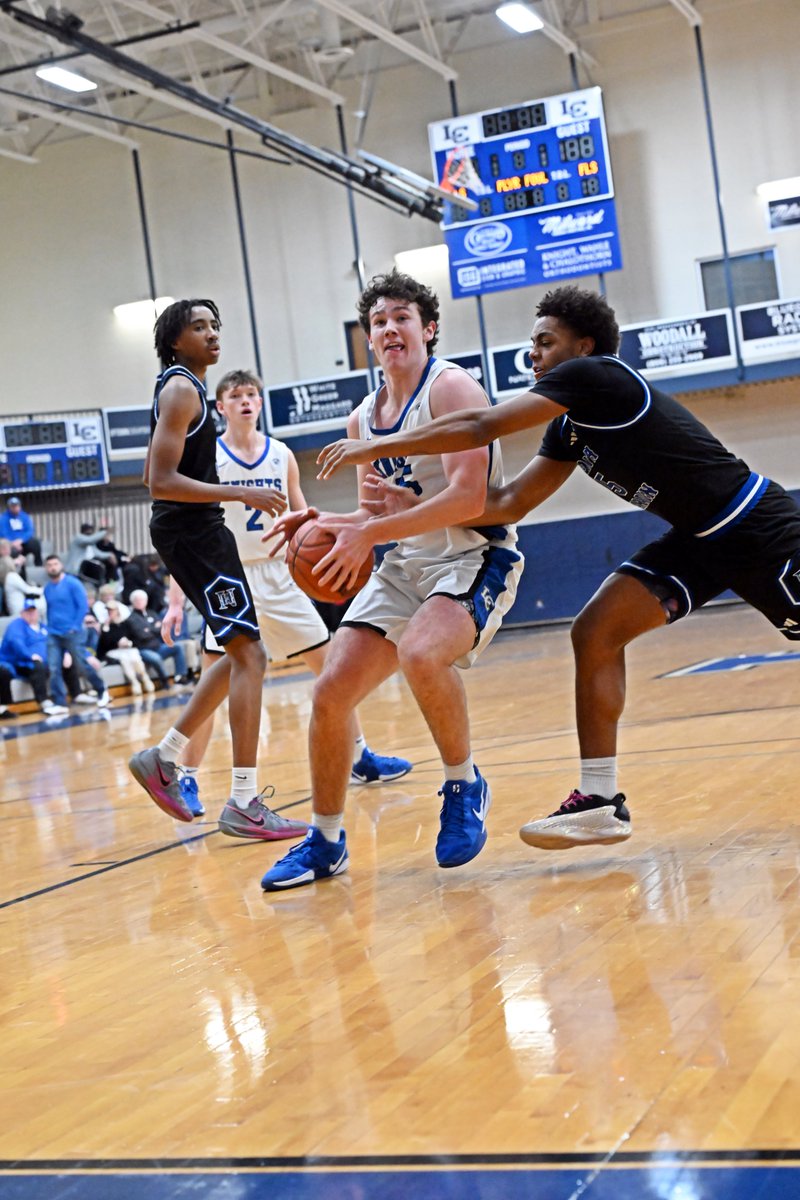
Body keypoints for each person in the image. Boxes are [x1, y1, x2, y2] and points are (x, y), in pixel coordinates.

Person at [317, 283, 800, 852]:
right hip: (695, 542)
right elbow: (508, 505)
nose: (533, 355)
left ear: (583, 345)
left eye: (545, 342)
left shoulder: (599, 376)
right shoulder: (569, 427)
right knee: (594, 632)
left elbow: (477, 427)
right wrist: (413, 510)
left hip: (757, 527)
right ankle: (599, 800)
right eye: (531, 344)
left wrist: (373, 447)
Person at [259, 268, 523, 892]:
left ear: (427, 329)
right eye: (378, 322)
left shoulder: (452, 388)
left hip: (471, 556)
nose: (389, 329)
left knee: (421, 653)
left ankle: (464, 783)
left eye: (402, 317)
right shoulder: (363, 419)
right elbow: (377, 515)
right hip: (405, 562)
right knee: (329, 694)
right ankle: (324, 840)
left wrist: (371, 532)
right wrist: (321, 520)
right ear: (369, 340)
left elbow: (469, 497)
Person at [162, 367, 412, 820]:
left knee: (334, 668)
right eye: (235, 395)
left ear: (260, 403)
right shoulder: (210, 459)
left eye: (251, 394)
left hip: (281, 574)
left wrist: (328, 556)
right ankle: (186, 777)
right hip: (231, 577)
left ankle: (359, 756)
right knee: (213, 683)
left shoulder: (281, 454)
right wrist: (176, 599)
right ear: (220, 406)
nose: (245, 401)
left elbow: (304, 517)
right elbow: (192, 532)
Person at [127, 297, 307, 842]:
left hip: (197, 531)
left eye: (214, 326)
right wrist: (240, 490)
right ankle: (244, 801)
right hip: (194, 533)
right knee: (251, 655)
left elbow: (149, 473)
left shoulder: (185, 390)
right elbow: (158, 481)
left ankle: (167, 757)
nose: (212, 334)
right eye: (198, 327)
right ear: (175, 340)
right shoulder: (181, 388)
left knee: (241, 654)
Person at [43, 554, 110, 709]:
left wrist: (74, 626)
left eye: (55, 564)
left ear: (61, 565)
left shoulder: (73, 584)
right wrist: (49, 628)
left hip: (73, 632)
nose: (53, 567)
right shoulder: (47, 588)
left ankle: (101, 689)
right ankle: (60, 702)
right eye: (49, 565)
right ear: (46, 568)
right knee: (54, 668)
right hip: (54, 633)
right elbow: (50, 610)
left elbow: (82, 607)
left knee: (81, 665)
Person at [0, 600, 72, 717]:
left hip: (33, 663)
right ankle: (44, 702)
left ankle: (72, 696)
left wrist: (65, 653)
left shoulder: (43, 627)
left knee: (63, 662)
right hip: (16, 662)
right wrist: (30, 655)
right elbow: (16, 643)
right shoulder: (16, 625)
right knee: (36, 666)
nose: (31, 614)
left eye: (33, 611)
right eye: (28, 612)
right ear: (22, 613)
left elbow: (56, 641)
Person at [126, 588, 189, 686]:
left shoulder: (152, 613)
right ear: (132, 602)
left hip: (158, 646)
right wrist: (154, 628)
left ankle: (180, 676)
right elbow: (142, 635)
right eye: (137, 600)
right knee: (156, 659)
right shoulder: (131, 618)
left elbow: (162, 629)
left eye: (142, 599)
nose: (140, 602)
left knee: (177, 647)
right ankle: (165, 683)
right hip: (143, 650)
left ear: (146, 601)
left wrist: (149, 629)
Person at [96, 602, 155, 696]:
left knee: (134, 657)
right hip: (114, 652)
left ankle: (145, 678)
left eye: (112, 610)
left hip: (129, 649)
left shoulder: (126, 623)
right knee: (125, 660)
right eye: (108, 610)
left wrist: (129, 643)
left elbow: (136, 638)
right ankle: (134, 682)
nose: (110, 612)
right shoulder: (105, 626)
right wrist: (107, 629)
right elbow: (104, 645)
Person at [64, 523, 116, 588]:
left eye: (91, 532)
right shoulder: (78, 538)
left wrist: (109, 555)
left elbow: (97, 553)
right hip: (74, 572)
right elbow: (90, 540)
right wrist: (105, 532)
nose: (89, 533)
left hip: (85, 572)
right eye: (87, 532)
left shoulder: (91, 545)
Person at [0, 497, 42, 565]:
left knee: (35, 543)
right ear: (9, 507)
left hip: (23, 541)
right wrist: (13, 543)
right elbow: (3, 533)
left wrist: (21, 540)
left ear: (19, 506)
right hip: (11, 544)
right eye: (12, 506)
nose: (15, 508)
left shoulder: (24, 516)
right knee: (11, 551)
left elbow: (30, 531)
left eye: (16, 505)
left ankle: (38, 565)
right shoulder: (3, 518)